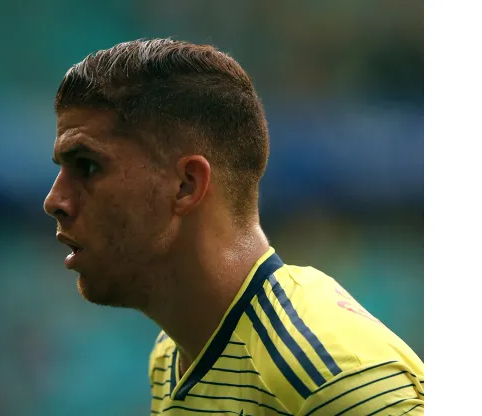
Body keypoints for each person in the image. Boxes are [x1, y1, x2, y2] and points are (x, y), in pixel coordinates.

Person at [43, 39, 424, 415]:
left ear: (186, 185)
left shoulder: (326, 375)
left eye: (87, 166)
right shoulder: (169, 357)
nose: (54, 201)